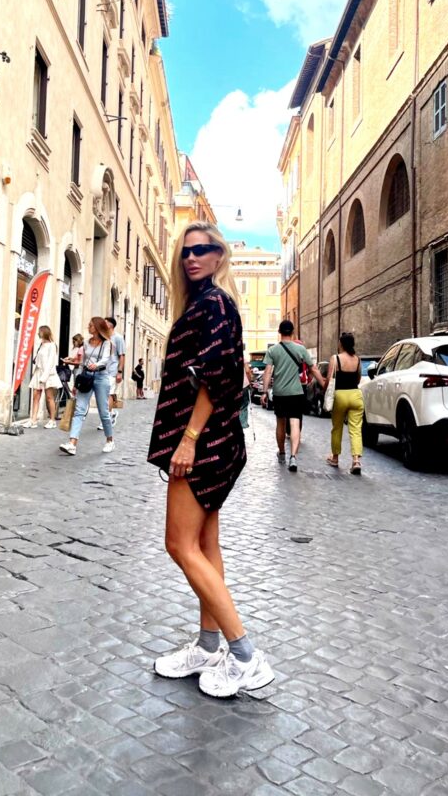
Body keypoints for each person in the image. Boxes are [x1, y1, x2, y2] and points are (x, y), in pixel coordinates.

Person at [147, 221, 275, 699]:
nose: (192, 258)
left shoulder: (215, 304)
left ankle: (245, 657)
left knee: (179, 545)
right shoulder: (205, 304)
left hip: (203, 443)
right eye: (186, 252)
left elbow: (215, 374)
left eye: (202, 250)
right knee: (204, 544)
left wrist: (188, 440)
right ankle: (206, 647)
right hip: (214, 441)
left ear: (220, 256)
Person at [261, 320, 325, 471]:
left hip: (279, 392)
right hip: (296, 392)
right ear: (293, 332)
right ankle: (293, 457)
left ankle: (282, 453)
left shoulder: (272, 350)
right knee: (295, 423)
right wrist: (324, 383)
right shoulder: (300, 349)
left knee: (281, 423)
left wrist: (264, 391)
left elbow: (267, 372)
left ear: (279, 332)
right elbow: (313, 369)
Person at [59, 318, 114, 455]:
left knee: (104, 413)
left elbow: (105, 359)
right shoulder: (86, 343)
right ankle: (72, 444)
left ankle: (110, 441)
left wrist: (97, 364)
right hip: (86, 377)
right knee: (79, 410)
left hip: (101, 377)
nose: (88, 327)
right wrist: (76, 383)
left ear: (97, 328)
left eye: (90, 325)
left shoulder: (106, 343)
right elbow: (83, 363)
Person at [325, 332, 364, 474]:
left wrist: (325, 391)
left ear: (341, 344)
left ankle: (335, 458)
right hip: (355, 395)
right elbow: (358, 379)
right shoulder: (357, 359)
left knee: (337, 428)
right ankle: (356, 461)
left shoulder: (335, 359)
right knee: (356, 429)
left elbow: (329, 379)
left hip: (340, 395)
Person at [24, 326, 61, 429]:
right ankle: (33, 420)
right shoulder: (41, 344)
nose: (38, 333)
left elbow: (50, 363)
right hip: (38, 372)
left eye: (40, 332)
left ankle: (52, 420)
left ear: (45, 332)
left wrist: (44, 378)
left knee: (49, 398)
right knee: (35, 397)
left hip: (48, 374)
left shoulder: (52, 345)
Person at [102, 316, 126, 428]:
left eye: (105, 322)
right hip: (102, 370)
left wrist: (119, 372)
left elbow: (122, 355)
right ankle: (111, 413)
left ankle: (106, 420)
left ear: (110, 325)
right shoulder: (103, 337)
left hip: (112, 370)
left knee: (109, 394)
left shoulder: (118, 338)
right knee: (102, 395)